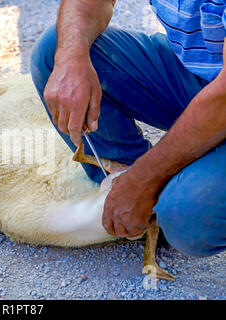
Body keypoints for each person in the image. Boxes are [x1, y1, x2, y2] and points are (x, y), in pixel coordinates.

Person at [30, 0, 225, 257]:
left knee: (188, 219)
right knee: (59, 50)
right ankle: (130, 201)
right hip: (201, 73)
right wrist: (71, 59)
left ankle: (155, 197)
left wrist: (144, 179)